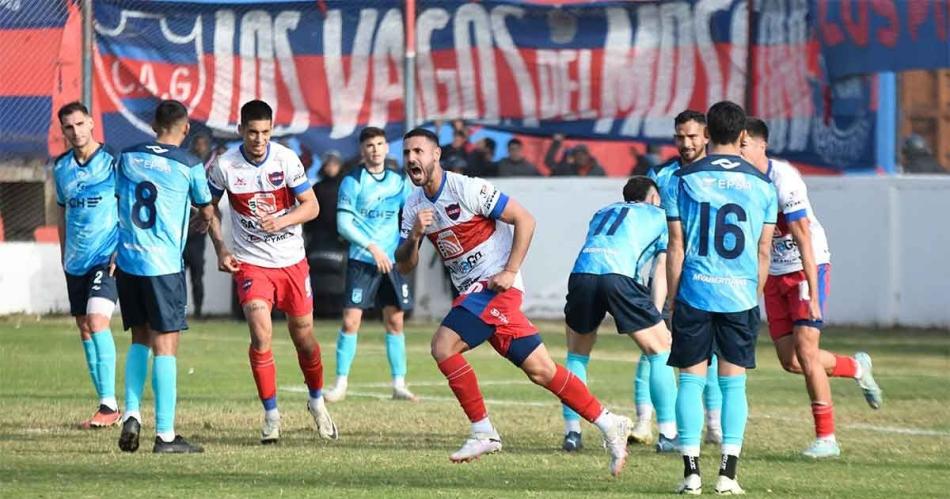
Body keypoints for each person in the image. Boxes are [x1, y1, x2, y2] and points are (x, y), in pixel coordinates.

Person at [395, 127, 631, 476]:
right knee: (542, 370)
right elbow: (404, 264)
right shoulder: (414, 206)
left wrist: (510, 271)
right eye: (407, 153)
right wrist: (415, 234)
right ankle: (610, 423)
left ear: (436, 155)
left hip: (495, 288)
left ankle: (483, 431)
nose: (412, 159)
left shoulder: (466, 188)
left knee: (443, 346)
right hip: (473, 292)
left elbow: (525, 219)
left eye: (418, 151)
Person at [742, 118, 882, 458]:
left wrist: (815, 296)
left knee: (807, 351)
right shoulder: (742, 181)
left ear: (761, 145)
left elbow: (802, 235)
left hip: (808, 267)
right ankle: (857, 367)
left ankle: (827, 439)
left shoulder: (783, 178)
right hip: (775, 274)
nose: (738, 150)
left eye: (742, 144)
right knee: (791, 361)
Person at [206, 100, 337, 445]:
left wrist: (282, 220)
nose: (259, 139)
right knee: (261, 335)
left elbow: (312, 206)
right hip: (252, 263)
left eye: (265, 132)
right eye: (252, 132)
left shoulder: (286, 160)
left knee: (304, 339)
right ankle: (271, 415)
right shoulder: (225, 166)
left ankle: (317, 402)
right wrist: (221, 247)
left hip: (292, 260)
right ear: (240, 130)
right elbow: (210, 210)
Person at [664, 101, 776, 494]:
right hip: (740, 295)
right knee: (733, 386)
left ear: (707, 133)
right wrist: (752, 295)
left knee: (691, 383)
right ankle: (728, 475)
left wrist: (672, 299)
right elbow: (764, 252)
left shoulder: (683, 178)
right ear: (743, 136)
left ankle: (691, 473)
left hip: (696, 290)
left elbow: (676, 246)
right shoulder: (764, 185)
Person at [114, 99, 213, 453]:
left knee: (139, 338)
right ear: (185, 128)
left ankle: (131, 413)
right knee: (166, 346)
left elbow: (119, 199)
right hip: (163, 266)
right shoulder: (189, 164)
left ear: (153, 124)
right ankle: (166, 435)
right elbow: (206, 207)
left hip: (128, 262)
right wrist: (205, 217)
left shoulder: (126, 157)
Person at [559, 176, 678, 454]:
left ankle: (572, 434)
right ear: (653, 198)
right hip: (618, 276)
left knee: (577, 355)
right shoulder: (660, 216)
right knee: (660, 351)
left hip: (582, 275)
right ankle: (669, 435)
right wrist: (658, 312)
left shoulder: (602, 212)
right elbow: (660, 268)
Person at [644, 110, 723, 451]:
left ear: (706, 136)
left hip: (711, 276)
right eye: (680, 136)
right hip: (667, 271)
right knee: (657, 349)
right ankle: (656, 425)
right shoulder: (662, 175)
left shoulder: (721, 174)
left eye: (692, 136)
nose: (686, 143)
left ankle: (715, 426)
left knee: (715, 356)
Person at [324, 127, 417, 402]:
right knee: (351, 321)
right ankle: (340, 384)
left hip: (392, 263)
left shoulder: (400, 181)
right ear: (362, 151)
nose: (375, 149)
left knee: (395, 321)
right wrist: (372, 247)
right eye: (369, 145)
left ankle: (399, 384)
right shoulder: (352, 181)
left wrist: (402, 248)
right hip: (362, 261)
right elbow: (343, 224)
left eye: (379, 144)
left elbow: (409, 216)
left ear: (387, 147)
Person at [52, 101, 121, 429]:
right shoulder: (60, 167)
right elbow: (62, 212)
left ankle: (109, 405)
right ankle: (106, 405)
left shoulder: (112, 161)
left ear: (92, 123)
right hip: (75, 261)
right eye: (69, 127)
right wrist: (64, 254)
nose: (76, 132)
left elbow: (129, 205)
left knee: (96, 320)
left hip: (105, 258)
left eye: (81, 124)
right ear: (63, 131)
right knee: (84, 327)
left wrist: (121, 249)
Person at [184, 133, 213, 318]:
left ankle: (199, 311)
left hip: (196, 235)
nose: (200, 147)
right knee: (177, 276)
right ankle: (178, 310)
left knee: (197, 275)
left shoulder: (209, 172)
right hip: (180, 234)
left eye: (204, 144)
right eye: (198, 143)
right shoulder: (186, 168)